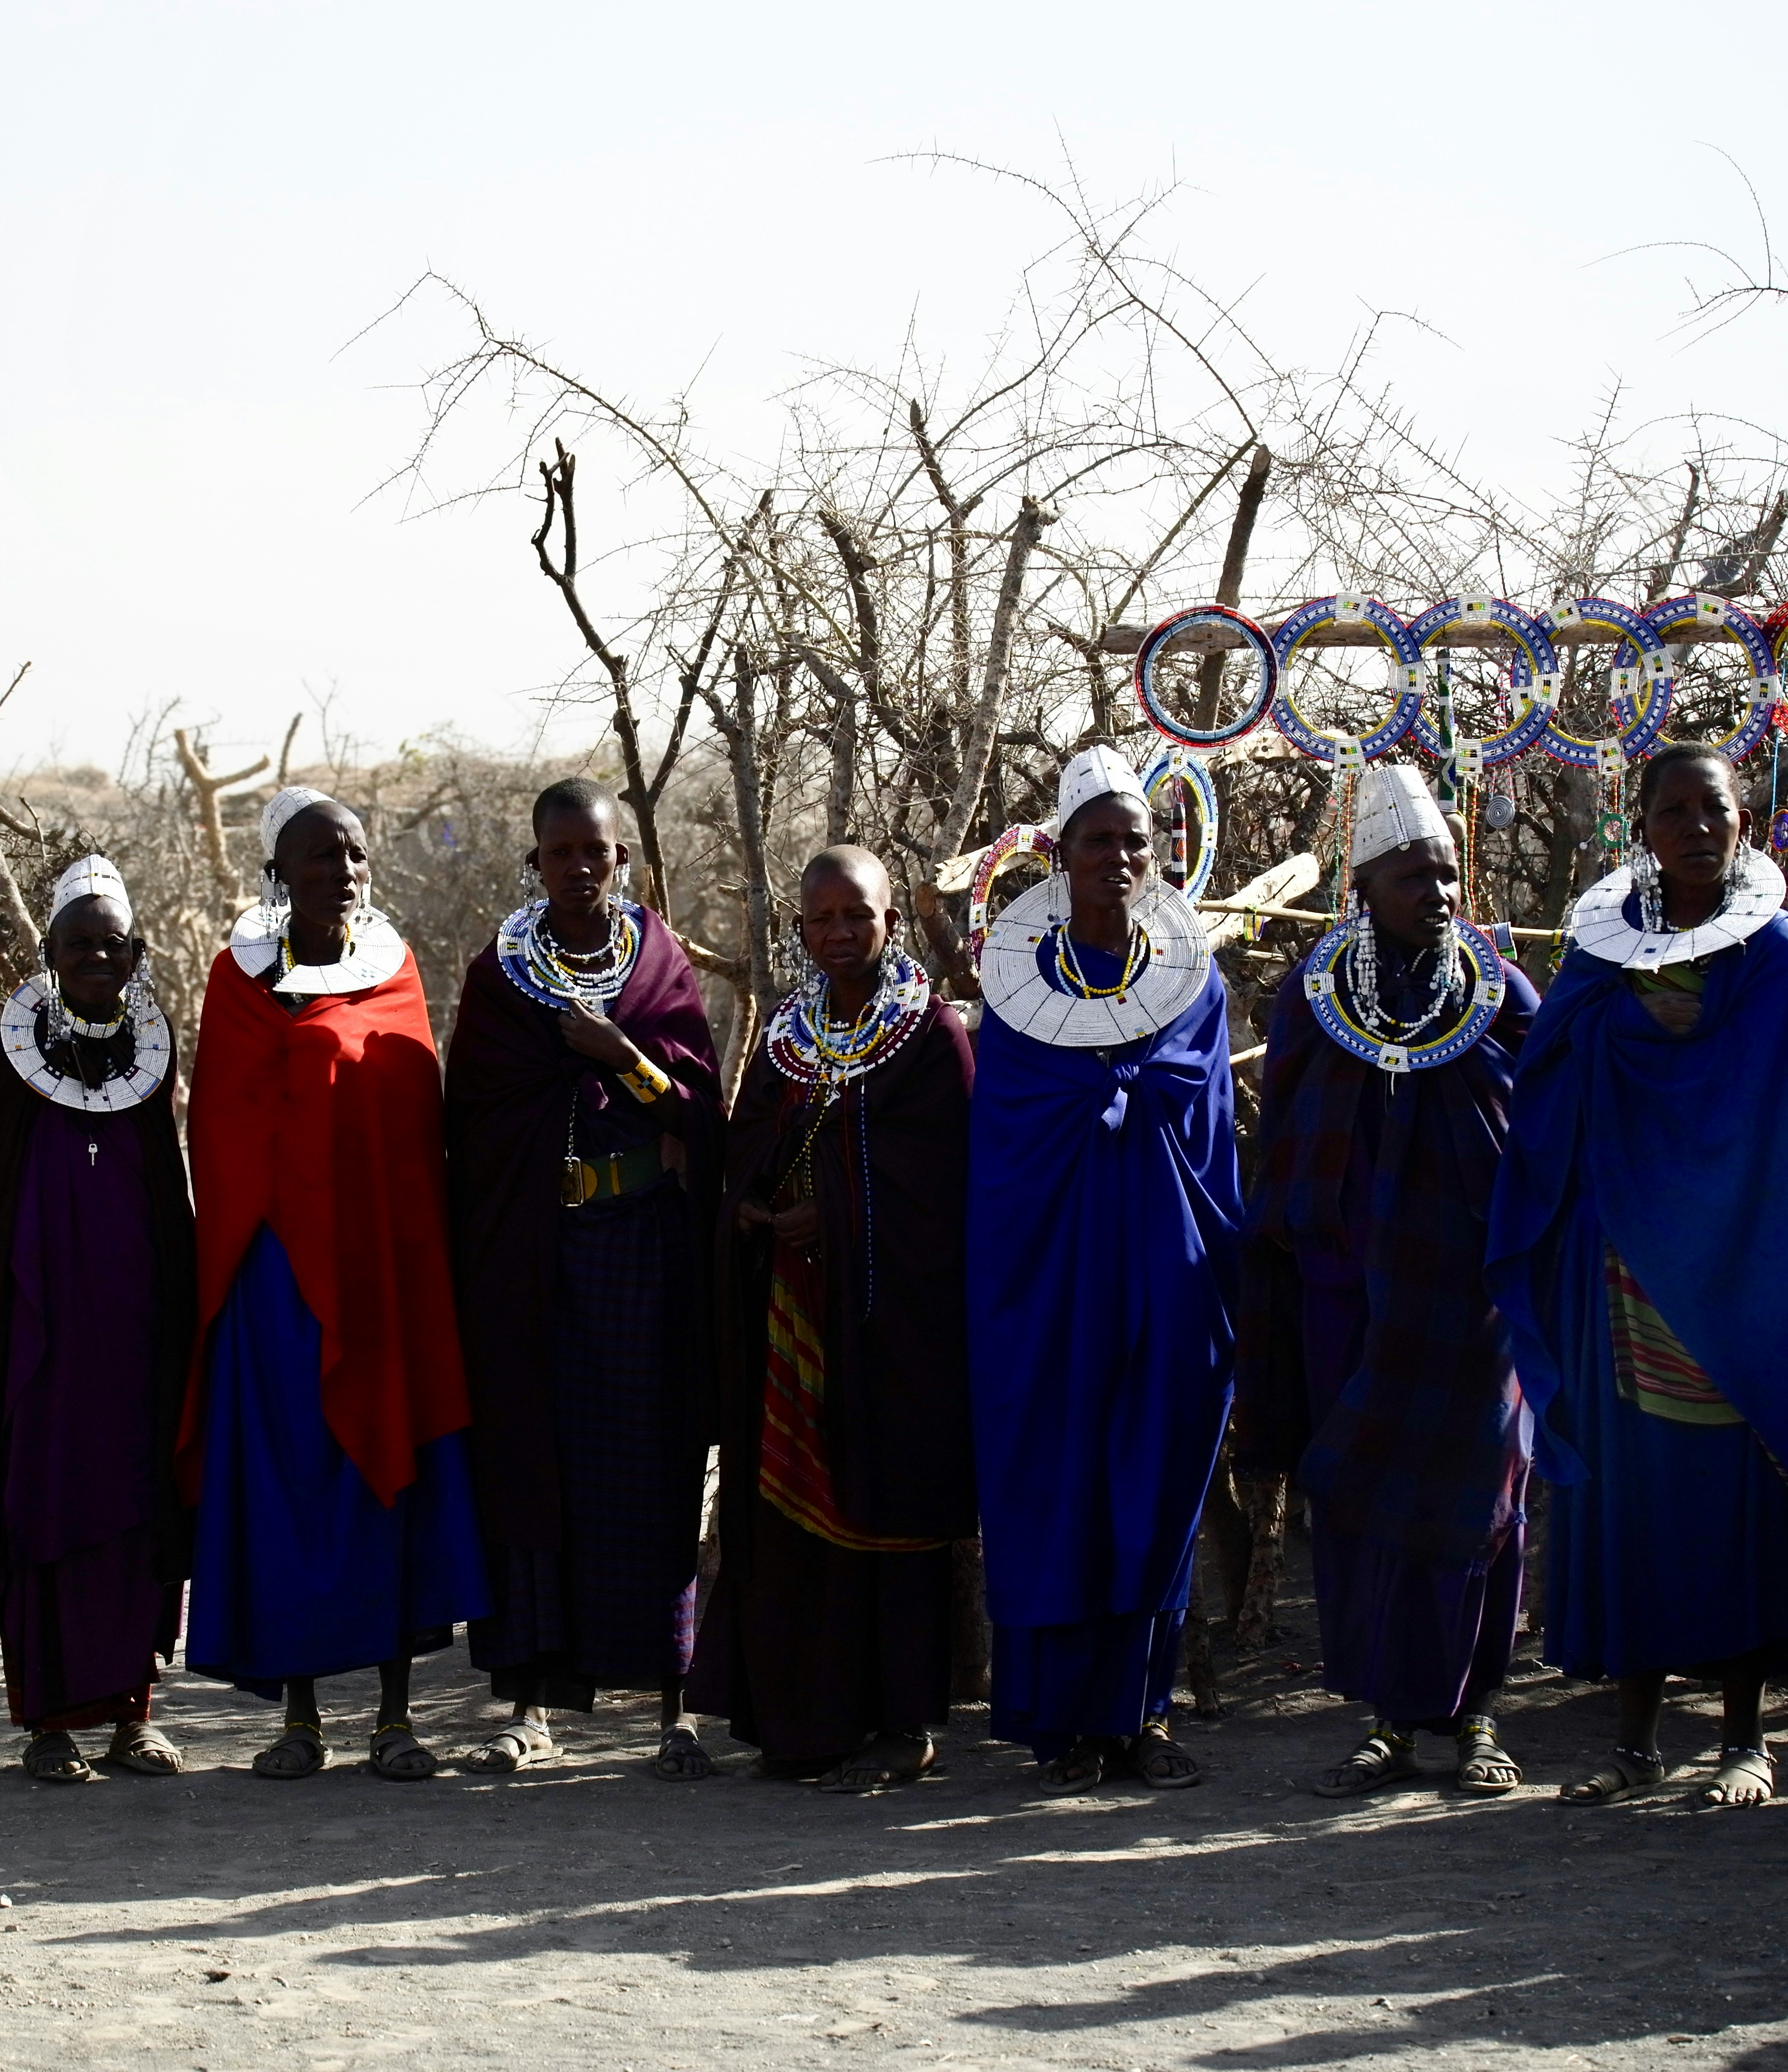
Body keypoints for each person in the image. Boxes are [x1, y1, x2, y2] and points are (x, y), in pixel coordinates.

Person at [1488, 741, 1788, 1809]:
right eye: (1673, 810)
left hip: (1740, 1276)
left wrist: (1668, 1036)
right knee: (1636, 1506)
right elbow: (1548, 1069)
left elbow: (1778, 1108)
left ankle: (1745, 1739)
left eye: (1715, 808)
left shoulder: (1775, 954)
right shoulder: (1601, 953)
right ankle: (1634, 1740)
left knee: (1739, 1504)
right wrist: (1622, 1019)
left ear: (1745, 821)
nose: (1696, 827)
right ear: (1640, 827)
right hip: (1623, 1279)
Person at [1237, 765, 1540, 1798]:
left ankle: (1479, 1709)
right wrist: (1330, 1252)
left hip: (1477, 1305)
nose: (1438, 893)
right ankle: (1385, 1718)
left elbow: (1538, 1121)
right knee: (1366, 1503)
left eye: (1448, 874)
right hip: (1352, 1298)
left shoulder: (1497, 985)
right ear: (1363, 884)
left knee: (1487, 1502)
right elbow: (1290, 1144)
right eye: (1413, 875)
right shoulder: (1315, 994)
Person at [182, 785, 491, 1780]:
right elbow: (223, 1135)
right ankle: (301, 1718)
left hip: (382, 1271)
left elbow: (412, 1130)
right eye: (318, 857)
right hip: (274, 1277)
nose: (341, 873)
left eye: (354, 855)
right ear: (279, 873)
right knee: (287, 1486)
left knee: (381, 1475)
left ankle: (396, 1718)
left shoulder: (395, 973)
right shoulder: (238, 984)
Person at [967, 744, 1242, 1794]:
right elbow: (1007, 1143)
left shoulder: (1192, 982)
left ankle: (1143, 1715)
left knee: (1153, 1482)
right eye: (1099, 839)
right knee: (1063, 1482)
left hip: (1166, 1276)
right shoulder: (1016, 995)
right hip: (1047, 1284)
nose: (1120, 855)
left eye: (1137, 838)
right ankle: (1062, 1721)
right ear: (1062, 854)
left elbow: (1208, 1126)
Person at [445, 778, 725, 1780]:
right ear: (536, 860)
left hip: (642, 1243)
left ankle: (671, 1709)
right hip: (534, 1255)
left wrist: (624, 1060)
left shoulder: (658, 962)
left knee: (652, 1468)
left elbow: (698, 1103)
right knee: (537, 1470)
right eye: (558, 853)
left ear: (620, 860)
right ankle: (532, 1710)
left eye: (594, 853)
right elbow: (474, 1122)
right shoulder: (499, 977)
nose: (577, 869)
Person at [691, 844, 976, 1789]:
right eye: (821, 920)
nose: (840, 934)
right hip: (791, 1318)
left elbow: (948, 1187)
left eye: (858, 915)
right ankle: (804, 1721)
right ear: (799, 930)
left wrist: (843, 1216)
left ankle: (903, 1725)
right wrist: (756, 1206)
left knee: (886, 1501)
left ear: (892, 922)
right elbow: (749, 1147)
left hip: (890, 1325)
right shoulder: (784, 1036)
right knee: (787, 1522)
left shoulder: (932, 1038)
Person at [0, 855, 195, 1783]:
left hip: (130, 1338)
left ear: (136, 954)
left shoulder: (152, 1062)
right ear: (49, 952)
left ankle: (132, 1719)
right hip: (37, 1345)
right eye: (77, 945)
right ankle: (46, 1723)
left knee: (131, 1512)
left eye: (111, 947)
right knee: (40, 1509)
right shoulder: (9, 1061)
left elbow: (167, 1196)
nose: (95, 960)